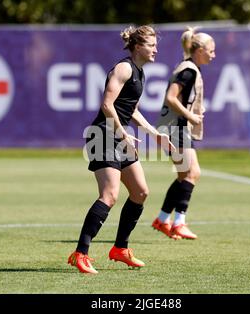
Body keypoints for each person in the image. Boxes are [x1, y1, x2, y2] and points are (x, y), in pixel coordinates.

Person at [68, 25, 175, 274]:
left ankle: (120, 249)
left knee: (140, 192)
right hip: (103, 135)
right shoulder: (124, 68)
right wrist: (122, 131)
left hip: (119, 136)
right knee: (110, 195)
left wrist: (154, 134)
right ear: (138, 46)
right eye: (151, 45)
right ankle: (80, 253)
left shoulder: (140, 73)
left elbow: (131, 110)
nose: (156, 49)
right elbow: (107, 104)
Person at [152, 27, 216, 240]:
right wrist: (191, 115)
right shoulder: (188, 70)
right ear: (199, 50)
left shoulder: (190, 68)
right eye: (211, 50)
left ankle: (162, 219)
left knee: (184, 175)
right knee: (191, 173)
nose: (213, 55)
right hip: (175, 127)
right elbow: (171, 97)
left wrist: (194, 111)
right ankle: (179, 222)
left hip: (174, 126)